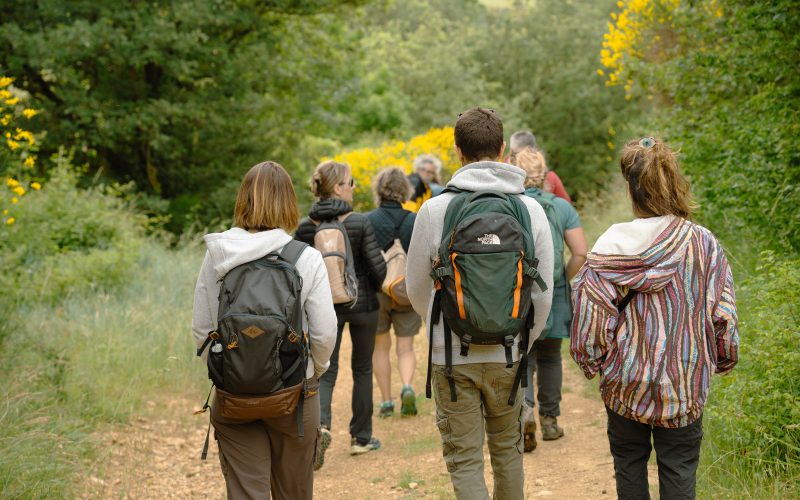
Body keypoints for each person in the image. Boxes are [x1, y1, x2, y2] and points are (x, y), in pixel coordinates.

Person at [570, 137, 739, 499]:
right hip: (684, 382)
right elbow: (722, 314)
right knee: (679, 468)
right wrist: (722, 358)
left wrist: (593, 362)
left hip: (624, 383)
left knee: (629, 464)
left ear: (631, 190)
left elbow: (590, 319)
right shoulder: (703, 244)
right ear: (674, 182)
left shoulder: (609, 246)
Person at [406, 107, 554, 499]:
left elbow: (417, 287)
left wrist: (445, 326)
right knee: (508, 452)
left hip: (452, 356)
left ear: (458, 151)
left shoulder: (435, 209)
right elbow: (542, 291)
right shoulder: (530, 209)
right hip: (510, 352)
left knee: (465, 459)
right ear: (503, 148)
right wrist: (522, 336)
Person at [191, 161, 337, 499]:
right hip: (295, 393)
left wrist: (231, 370)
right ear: (289, 203)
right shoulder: (305, 257)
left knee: (246, 491)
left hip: (233, 396)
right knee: (293, 492)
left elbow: (202, 329)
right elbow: (324, 333)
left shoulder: (218, 254)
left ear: (242, 200)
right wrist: (315, 370)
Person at [295, 160, 387, 465]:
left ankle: (319, 429)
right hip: (362, 307)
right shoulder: (360, 222)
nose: (353, 187)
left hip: (322, 310)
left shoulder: (306, 227)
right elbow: (378, 270)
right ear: (337, 188)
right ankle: (362, 438)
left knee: (324, 371)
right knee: (362, 369)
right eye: (350, 183)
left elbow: (296, 272)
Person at [512, 148, 587, 451]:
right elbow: (580, 253)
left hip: (519, 292)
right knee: (551, 356)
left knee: (524, 357)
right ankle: (550, 421)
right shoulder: (562, 208)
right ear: (545, 173)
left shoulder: (510, 206)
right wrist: (562, 280)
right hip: (554, 291)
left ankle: (525, 410)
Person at [366, 167, 422, 419]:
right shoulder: (414, 219)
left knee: (380, 347)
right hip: (406, 291)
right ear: (405, 190)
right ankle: (407, 386)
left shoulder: (367, 220)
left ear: (379, 190)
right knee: (406, 347)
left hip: (377, 290)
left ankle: (386, 402)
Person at [508, 130, 573, 203]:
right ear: (534, 149)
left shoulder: (506, 176)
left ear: (512, 152)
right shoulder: (550, 177)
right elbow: (567, 206)